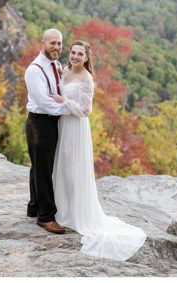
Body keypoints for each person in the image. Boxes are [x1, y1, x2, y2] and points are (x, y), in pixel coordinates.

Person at [51, 40, 146, 260]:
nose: (75, 56)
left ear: (86, 58)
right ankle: (62, 210)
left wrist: (63, 100)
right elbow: (58, 81)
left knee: (73, 169)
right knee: (62, 167)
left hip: (75, 128)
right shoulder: (64, 70)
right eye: (73, 52)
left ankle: (76, 214)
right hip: (62, 125)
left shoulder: (87, 79)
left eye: (79, 54)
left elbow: (85, 111)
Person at [25, 28, 70, 235]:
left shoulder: (56, 65)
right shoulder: (34, 70)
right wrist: (69, 109)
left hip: (50, 122)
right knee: (44, 170)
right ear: (42, 43)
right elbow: (43, 102)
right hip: (40, 123)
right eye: (52, 43)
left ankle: (34, 207)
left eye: (59, 43)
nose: (56, 47)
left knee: (39, 166)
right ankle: (46, 216)